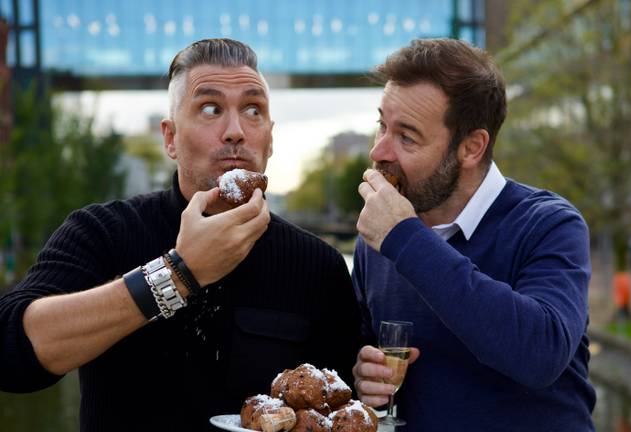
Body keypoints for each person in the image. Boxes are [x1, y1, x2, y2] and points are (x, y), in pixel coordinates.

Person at [0, 38, 361, 431]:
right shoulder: (102, 232)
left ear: (270, 139)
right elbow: (11, 354)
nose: (235, 131)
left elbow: (340, 412)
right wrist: (178, 273)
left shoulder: (318, 265)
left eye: (253, 110)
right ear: (170, 138)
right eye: (211, 108)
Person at [351, 38, 596, 430]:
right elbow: (359, 355)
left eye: (406, 137)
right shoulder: (379, 241)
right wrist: (361, 375)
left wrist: (406, 239)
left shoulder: (549, 225)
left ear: (471, 147)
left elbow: (540, 353)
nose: (380, 151)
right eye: (382, 125)